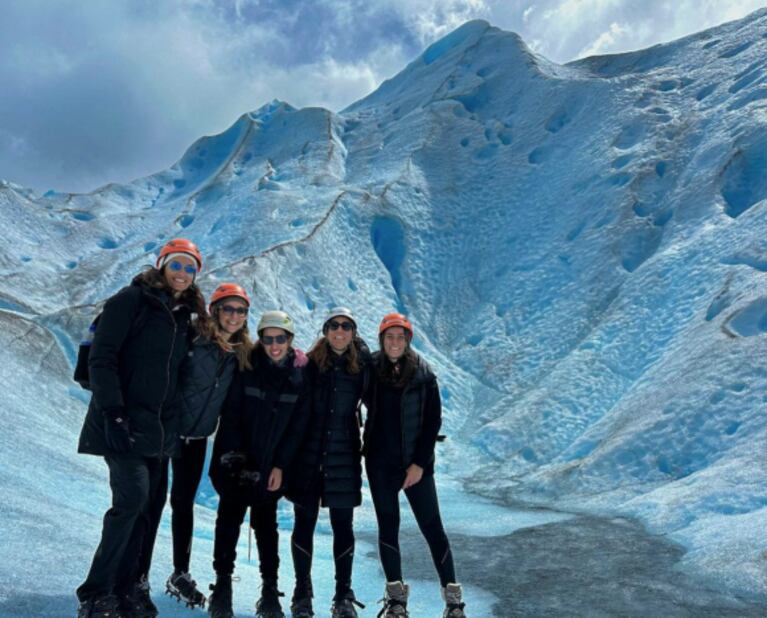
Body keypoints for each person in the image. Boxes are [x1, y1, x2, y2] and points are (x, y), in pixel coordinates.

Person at [76, 238, 206, 618]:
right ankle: (96, 592)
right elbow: (102, 358)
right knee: (131, 499)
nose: (182, 273)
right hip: (121, 422)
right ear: (162, 264)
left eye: (190, 268)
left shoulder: (184, 315)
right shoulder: (130, 301)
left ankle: (128, 588)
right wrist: (113, 413)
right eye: (177, 265)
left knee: (149, 507)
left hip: (160, 430)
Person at [208, 310, 310, 618]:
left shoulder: (299, 376)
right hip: (236, 463)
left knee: (266, 528)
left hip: (270, 467)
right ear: (261, 338)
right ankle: (222, 587)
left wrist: (280, 465)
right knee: (228, 522)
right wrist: (236, 461)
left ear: (290, 340)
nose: (274, 345)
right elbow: (232, 416)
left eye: (281, 338)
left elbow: (298, 426)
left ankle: (270, 592)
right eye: (268, 338)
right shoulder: (246, 366)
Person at [363, 313, 467, 618]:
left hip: (416, 467)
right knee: (388, 527)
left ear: (408, 341)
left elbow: (433, 421)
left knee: (433, 528)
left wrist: (420, 464)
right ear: (382, 340)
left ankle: (453, 600)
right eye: (389, 337)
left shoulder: (424, 375)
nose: (395, 343)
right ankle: (396, 600)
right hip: (380, 464)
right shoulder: (370, 368)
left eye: (400, 337)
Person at [162, 283, 253, 608]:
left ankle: (179, 573)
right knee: (149, 502)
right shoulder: (194, 338)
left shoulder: (241, 353)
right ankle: (134, 573)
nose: (234, 315)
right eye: (228, 308)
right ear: (215, 310)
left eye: (240, 310)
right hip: (166, 431)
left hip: (198, 438)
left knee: (182, 502)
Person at [286, 307, 371, 618]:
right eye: (334, 325)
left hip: (344, 456)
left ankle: (342, 595)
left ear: (353, 333)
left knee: (343, 526)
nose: (339, 331)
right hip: (307, 457)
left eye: (346, 326)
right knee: (303, 524)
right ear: (325, 330)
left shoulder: (361, 367)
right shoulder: (308, 365)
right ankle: (301, 593)